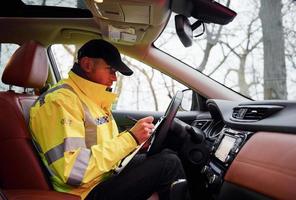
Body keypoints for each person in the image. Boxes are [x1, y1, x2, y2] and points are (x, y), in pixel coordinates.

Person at [30, 39, 187, 200]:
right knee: (168, 164)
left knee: (167, 153)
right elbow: (73, 171)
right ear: (87, 65)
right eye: (111, 70)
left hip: (104, 176)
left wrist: (135, 145)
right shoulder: (59, 102)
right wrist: (130, 138)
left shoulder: (92, 98)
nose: (115, 78)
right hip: (84, 193)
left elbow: (103, 145)